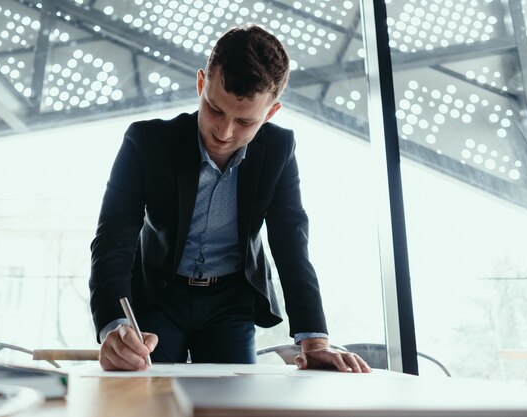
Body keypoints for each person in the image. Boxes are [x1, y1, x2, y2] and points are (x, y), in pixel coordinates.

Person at [89, 24, 371, 373]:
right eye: (215, 110)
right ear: (201, 84)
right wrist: (114, 326)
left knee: (236, 403)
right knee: (142, 396)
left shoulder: (279, 150)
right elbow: (113, 239)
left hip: (231, 302)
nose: (224, 133)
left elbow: (291, 243)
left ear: (269, 114)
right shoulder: (146, 142)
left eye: (245, 121)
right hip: (157, 297)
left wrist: (314, 343)